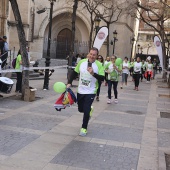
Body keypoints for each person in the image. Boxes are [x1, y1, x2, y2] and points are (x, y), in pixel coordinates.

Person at [67, 47, 104, 137]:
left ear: (97, 56)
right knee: (81, 109)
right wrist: (69, 82)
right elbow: (74, 72)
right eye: (91, 54)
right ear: (88, 54)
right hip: (81, 90)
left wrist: (93, 74)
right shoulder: (81, 62)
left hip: (91, 91)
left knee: (86, 111)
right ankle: (89, 110)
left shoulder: (99, 65)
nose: (92, 56)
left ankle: (84, 128)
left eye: (94, 55)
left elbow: (102, 78)